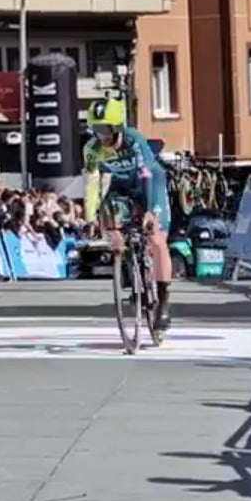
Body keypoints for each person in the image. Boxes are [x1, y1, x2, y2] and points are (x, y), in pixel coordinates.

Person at [81, 94, 174, 332]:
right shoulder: (91, 149)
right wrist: (90, 217)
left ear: (118, 126)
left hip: (150, 183)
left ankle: (163, 303)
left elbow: (146, 173)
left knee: (156, 240)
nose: (102, 136)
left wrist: (151, 211)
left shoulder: (134, 140)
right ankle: (126, 262)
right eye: (97, 130)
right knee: (109, 218)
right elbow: (93, 183)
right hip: (120, 186)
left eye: (106, 129)